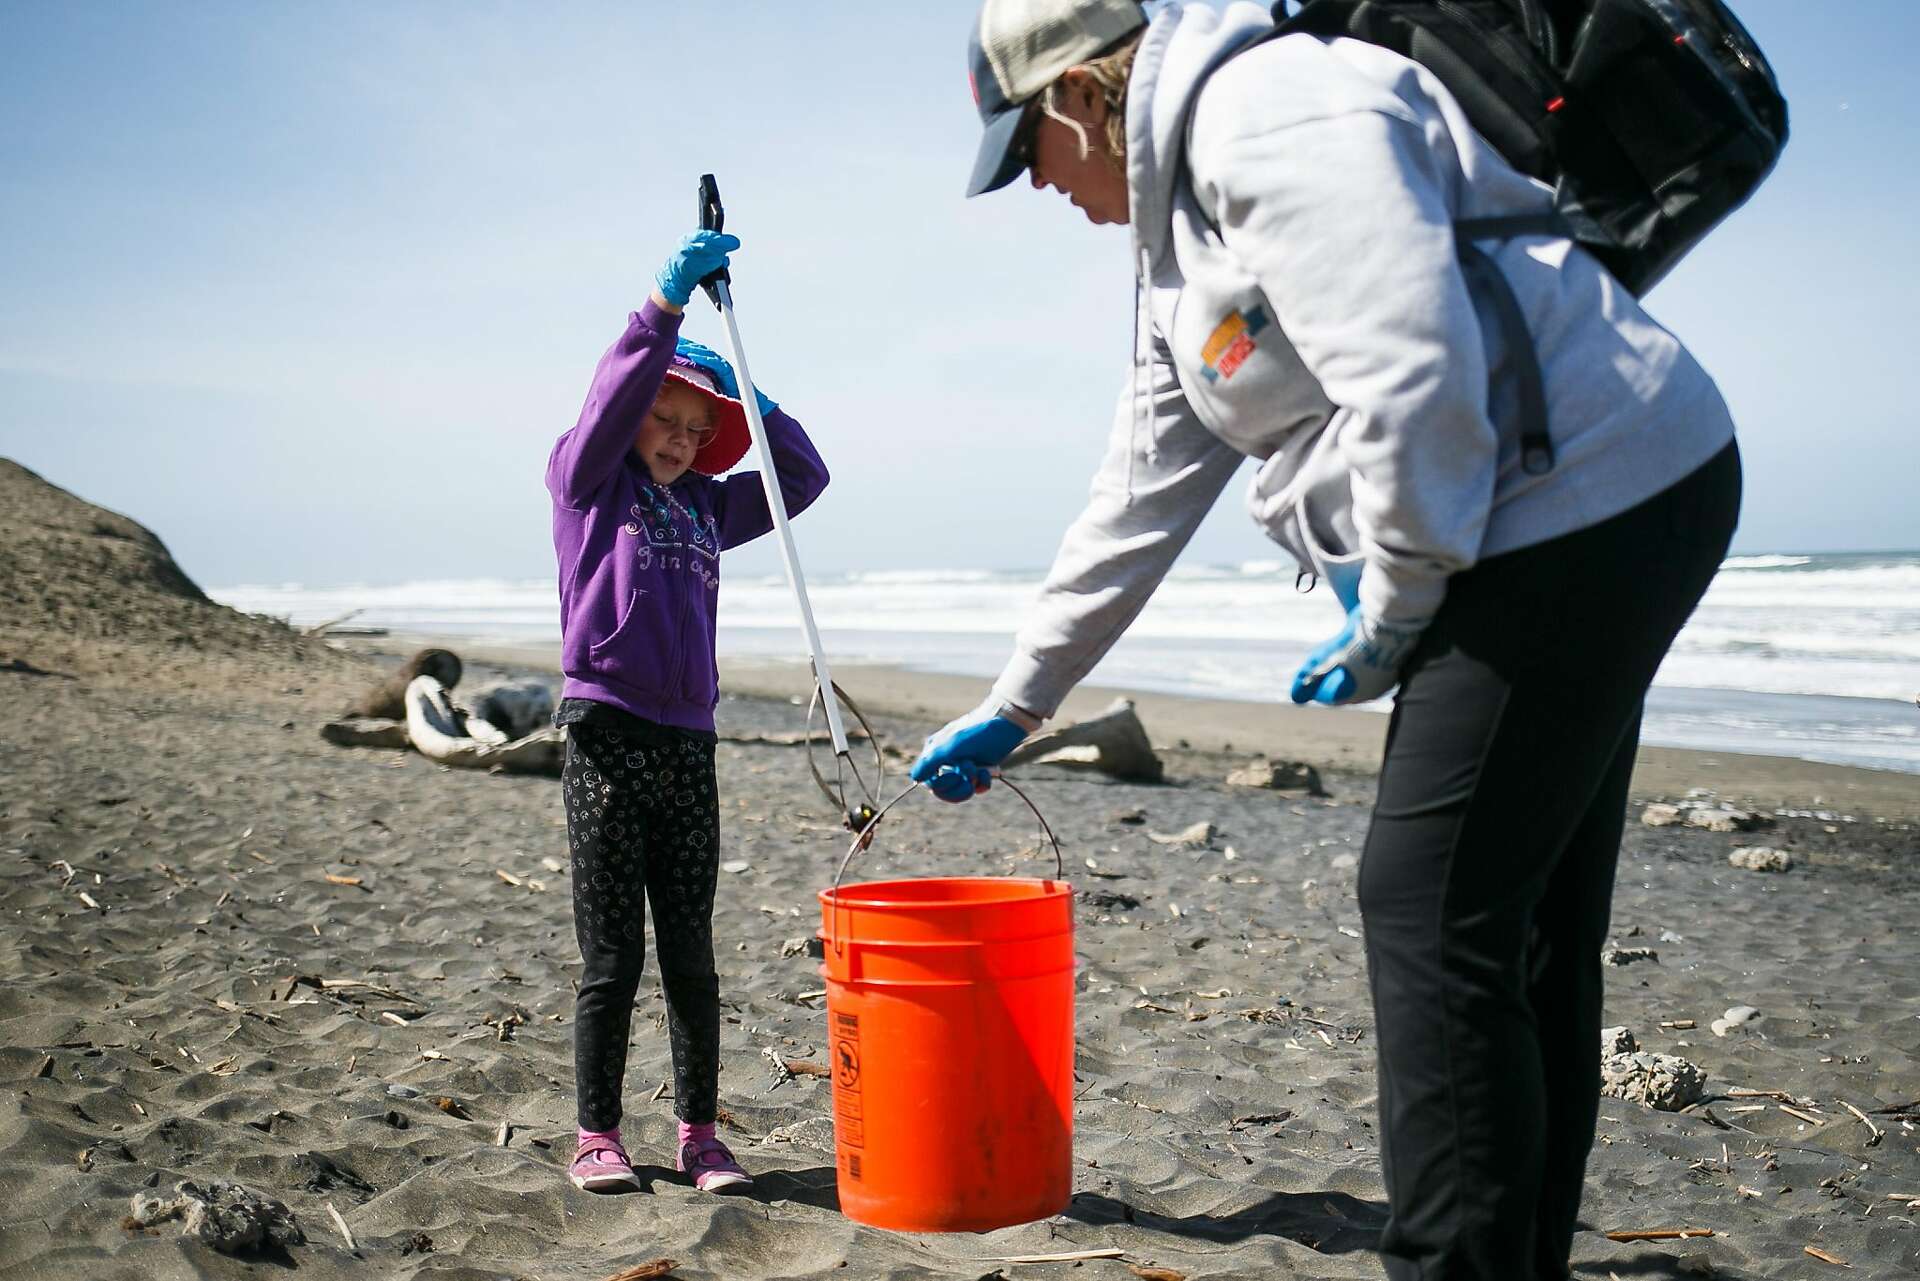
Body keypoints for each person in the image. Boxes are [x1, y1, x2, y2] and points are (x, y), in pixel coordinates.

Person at [916, 2, 1741, 1276]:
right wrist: (1020, 700)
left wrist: (1396, 610)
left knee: (1428, 902)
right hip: (1532, 514)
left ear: (1082, 95)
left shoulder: (1275, 115)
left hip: (1591, 500)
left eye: (1030, 157)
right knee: (1522, 922)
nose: (1041, 190)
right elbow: (1138, 491)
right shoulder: (1176, 245)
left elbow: (1418, 381)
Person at [546, 227, 830, 1193]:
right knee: (612, 955)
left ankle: (700, 1133)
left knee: (692, 954)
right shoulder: (585, 485)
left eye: (694, 429)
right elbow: (609, 403)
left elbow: (803, 479)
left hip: (688, 745)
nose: (676, 439)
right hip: (607, 736)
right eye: (663, 418)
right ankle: (597, 1134)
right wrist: (662, 313)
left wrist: (750, 390)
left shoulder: (710, 506)